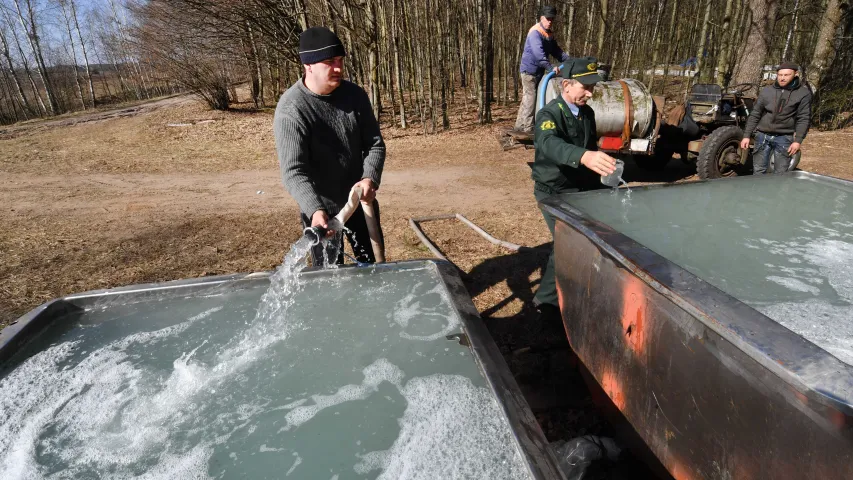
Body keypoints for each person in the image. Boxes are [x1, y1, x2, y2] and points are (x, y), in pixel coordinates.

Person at [274, 26, 385, 265]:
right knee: (329, 280)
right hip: (320, 211)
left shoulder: (355, 96)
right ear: (308, 65)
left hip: (360, 204)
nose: (338, 68)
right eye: (329, 62)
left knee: (374, 271)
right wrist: (315, 210)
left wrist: (369, 178)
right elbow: (294, 171)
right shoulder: (292, 108)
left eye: (340, 60)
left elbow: (375, 145)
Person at [531, 56, 617, 320]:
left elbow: (589, 148)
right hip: (553, 191)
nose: (590, 93)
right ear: (567, 85)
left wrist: (604, 170)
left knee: (585, 242)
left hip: (580, 189)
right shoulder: (549, 114)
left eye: (593, 88)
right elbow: (549, 144)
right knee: (566, 245)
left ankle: (578, 287)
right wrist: (584, 156)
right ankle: (546, 303)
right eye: (585, 87)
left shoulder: (588, 113)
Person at [739, 61, 812, 175]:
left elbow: (804, 118)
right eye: (780, 75)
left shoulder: (803, 93)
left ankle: (776, 192)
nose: (782, 78)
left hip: (784, 137)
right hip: (762, 136)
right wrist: (746, 135)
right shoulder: (767, 91)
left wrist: (798, 141)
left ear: (795, 74)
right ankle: (757, 192)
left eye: (786, 75)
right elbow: (755, 113)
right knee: (758, 170)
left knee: (781, 172)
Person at [513, 5, 571, 135]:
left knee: (528, 97)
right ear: (541, 18)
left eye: (552, 19)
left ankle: (519, 125)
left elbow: (557, 51)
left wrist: (569, 60)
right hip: (529, 71)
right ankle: (528, 128)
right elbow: (538, 55)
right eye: (548, 18)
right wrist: (551, 68)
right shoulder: (535, 32)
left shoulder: (549, 34)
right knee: (531, 98)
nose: (550, 21)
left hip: (538, 71)